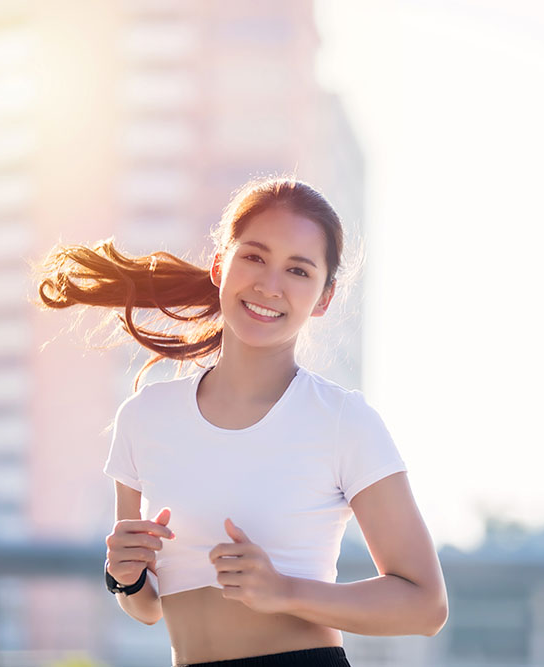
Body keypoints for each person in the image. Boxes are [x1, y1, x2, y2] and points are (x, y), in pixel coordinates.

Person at [36, 176, 448, 667]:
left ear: (323, 298)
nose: (269, 285)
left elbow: (425, 606)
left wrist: (284, 591)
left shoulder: (343, 421)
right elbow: (146, 606)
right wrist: (125, 575)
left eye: (298, 270)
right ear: (220, 265)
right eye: (254, 257)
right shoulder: (144, 418)